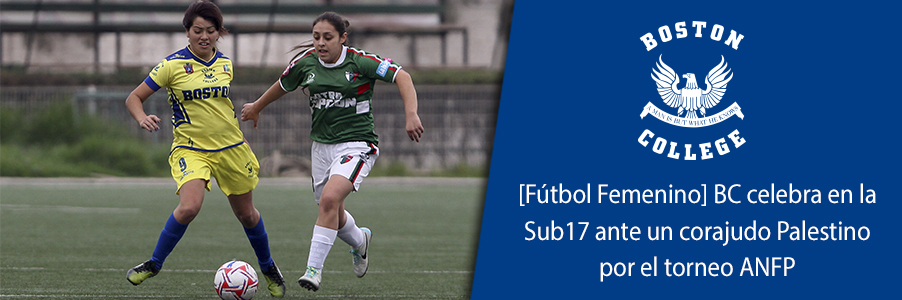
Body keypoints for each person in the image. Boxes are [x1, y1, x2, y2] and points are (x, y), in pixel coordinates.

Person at [240, 11, 424, 292]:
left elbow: (403, 76)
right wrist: (256, 107)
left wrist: (411, 114)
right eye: (316, 37)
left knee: (329, 199)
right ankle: (360, 241)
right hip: (321, 148)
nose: (321, 43)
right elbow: (282, 85)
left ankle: (313, 270)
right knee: (333, 214)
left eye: (328, 37)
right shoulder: (306, 64)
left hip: (358, 144)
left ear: (343, 38)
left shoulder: (360, 61)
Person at [123, 0, 286, 297]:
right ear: (187, 31)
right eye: (198, 30)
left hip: (231, 148)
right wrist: (141, 116)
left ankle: (268, 266)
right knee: (189, 207)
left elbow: (221, 108)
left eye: (211, 31)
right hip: (190, 149)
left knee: (247, 215)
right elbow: (134, 97)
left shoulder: (225, 64)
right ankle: (155, 263)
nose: (204, 36)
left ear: (218, 33)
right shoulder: (171, 66)